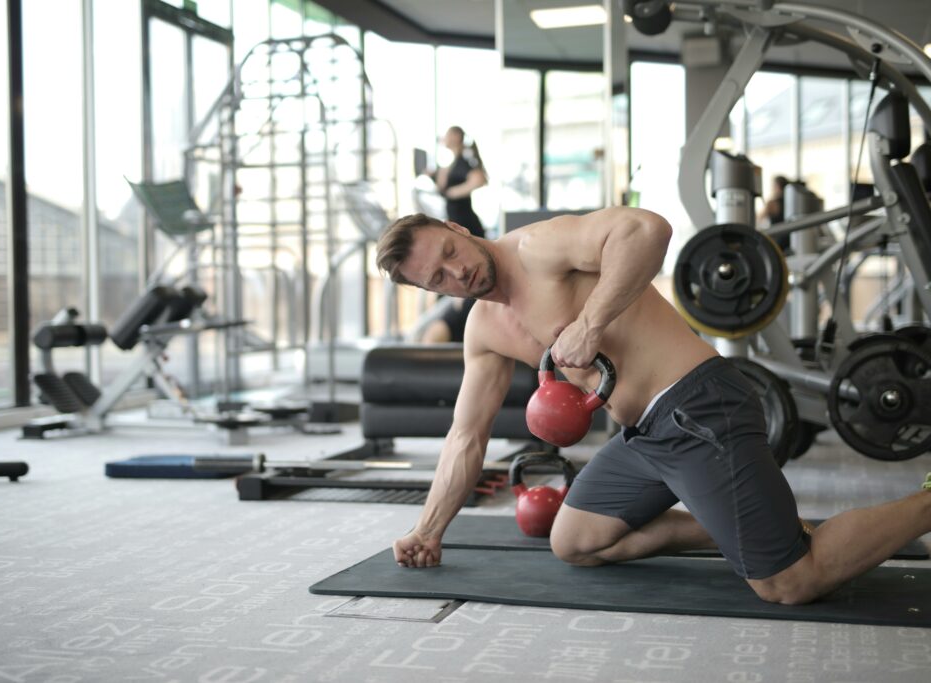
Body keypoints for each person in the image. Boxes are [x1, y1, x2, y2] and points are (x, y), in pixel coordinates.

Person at [374, 208, 931, 605]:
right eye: (438, 278)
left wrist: (591, 323)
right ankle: (743, 525)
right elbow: (466, 436)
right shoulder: (483, 331)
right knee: (574, 543)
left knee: (788, 582)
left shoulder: (537, 248)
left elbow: (647, 230)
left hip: (698, 406)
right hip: (644, 435)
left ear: (457, 229)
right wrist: (428, 530)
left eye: (450, 253)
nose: (457, 272)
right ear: (431, 292)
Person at [418, 126, 488, 343]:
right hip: (454, 221)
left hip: (466, 224)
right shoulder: (450, 164)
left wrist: (454, 193)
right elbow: (442, 186)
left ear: (457, 137)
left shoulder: (464, 161)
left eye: (448, 134)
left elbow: (480, 179)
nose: (445, 138)